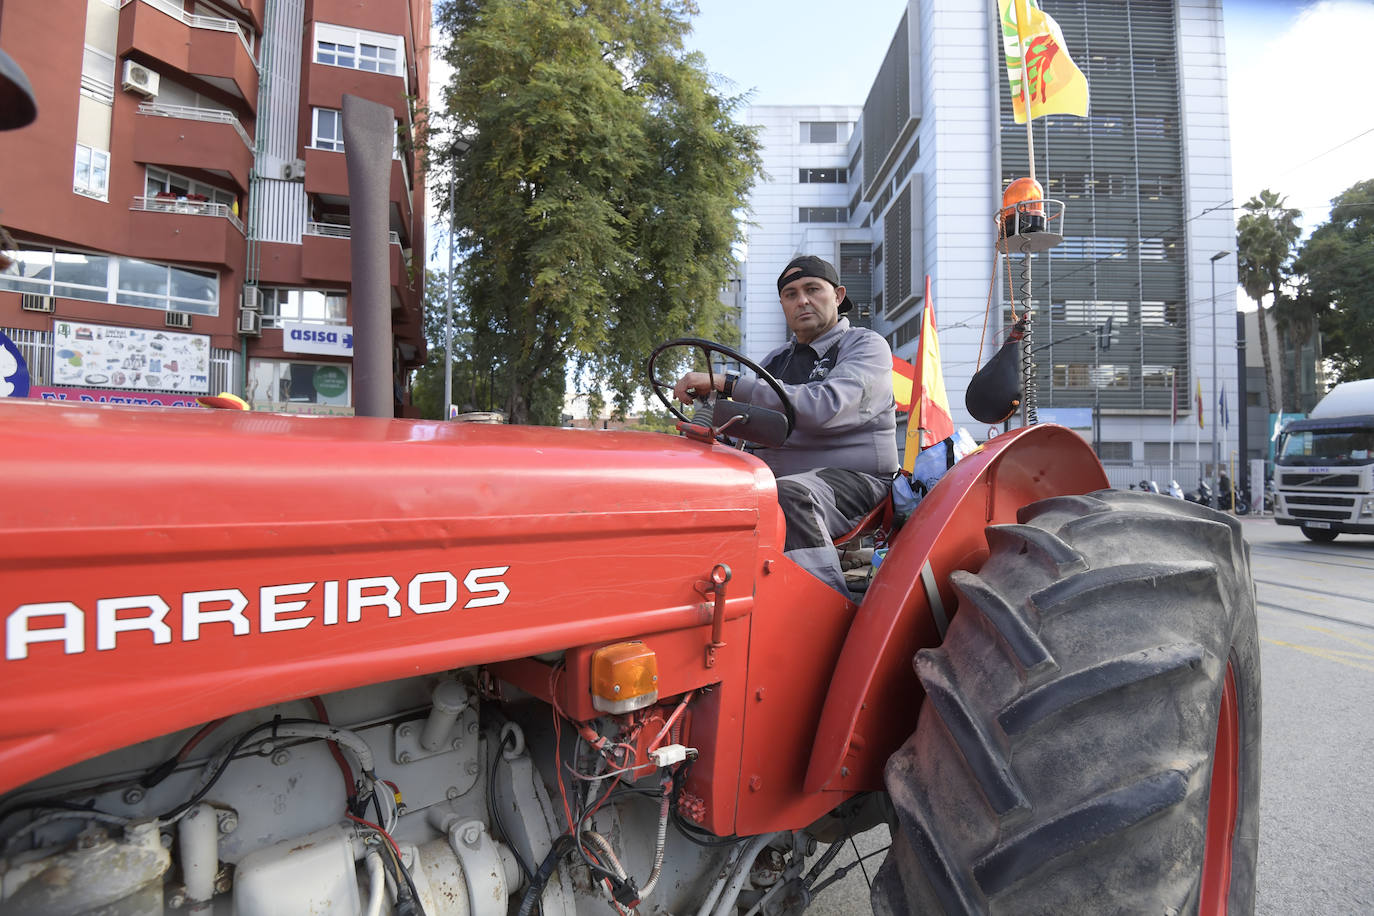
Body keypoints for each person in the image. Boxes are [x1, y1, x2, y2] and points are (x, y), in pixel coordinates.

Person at [674, 255, 898, 596]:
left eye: (812, 289)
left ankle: (821, 612)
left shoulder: (864, 346)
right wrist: (706, 429)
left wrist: (728, 384)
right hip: (773, 481)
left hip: (857, 481)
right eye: (791, 294)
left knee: (791, 495)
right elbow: (744, 426)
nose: (802, 300)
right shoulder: (776, 361)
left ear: (837, 296)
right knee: (697, 494)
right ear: (783, 304)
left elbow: (826, 407)